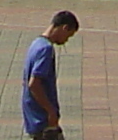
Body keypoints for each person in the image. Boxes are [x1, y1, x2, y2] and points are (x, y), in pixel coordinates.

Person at [20, 10, 77, 139]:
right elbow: (34, 84)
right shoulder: (46, 49)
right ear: (64, 28)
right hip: (42, 117)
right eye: (68, 36)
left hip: (33, 114)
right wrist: (50, 111)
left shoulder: (36, 43)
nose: (66, 41)